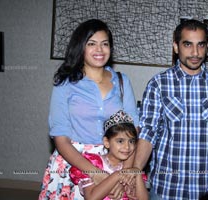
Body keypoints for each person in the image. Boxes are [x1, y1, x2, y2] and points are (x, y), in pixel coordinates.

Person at [133, 19, 208, 199]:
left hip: (207, 188)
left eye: (201, 45)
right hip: (166, 187)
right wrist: (135, 173)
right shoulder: (159, 84)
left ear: (207, 47)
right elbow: (148, 133)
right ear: (176, 46)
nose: (195, 53)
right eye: (188, 44)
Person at [38, 19, 139, 199]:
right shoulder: (65, 83)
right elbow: (60, 138)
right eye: (91, 44)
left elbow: (134, 131)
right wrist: (95, 172)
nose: (99, 50)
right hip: (73, 164)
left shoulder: (122, 81)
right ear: (80, 48)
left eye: (104, 44)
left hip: (115, 161)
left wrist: (125, 172)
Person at [69, 110, 148, 200]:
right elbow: (91, 198)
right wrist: (117, 175)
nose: (127, 147)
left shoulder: (131, 169)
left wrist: (136, 172)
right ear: (106, 142)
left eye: (131, 141)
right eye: (120, 141)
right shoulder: (95, 164)